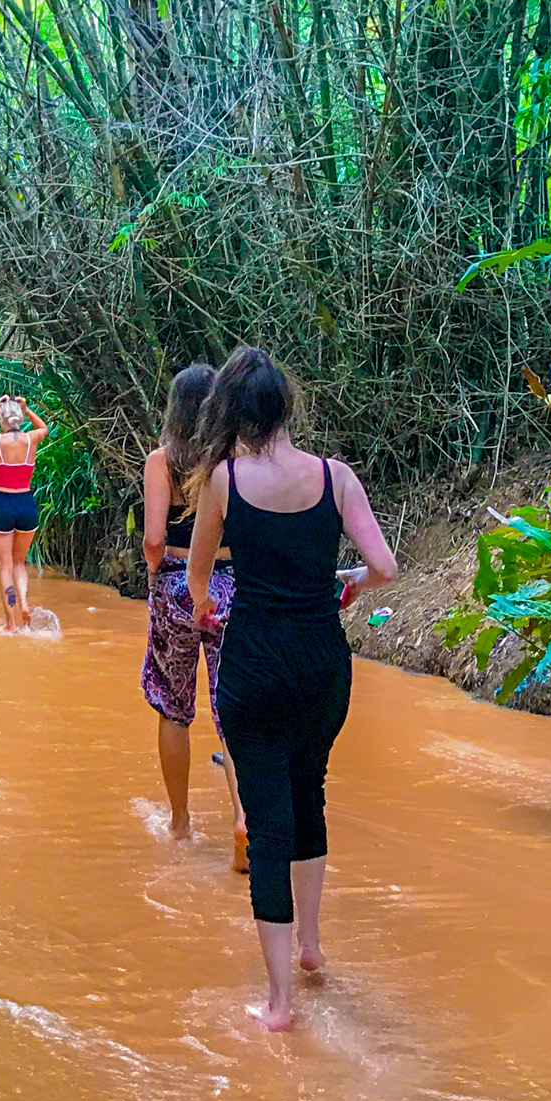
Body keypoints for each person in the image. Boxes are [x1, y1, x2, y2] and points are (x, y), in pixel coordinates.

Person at [182, 347, 395, 1033]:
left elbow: (196, 575)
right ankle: (311, 946)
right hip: (322, 665)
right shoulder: (336, 478)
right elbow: (385, 564)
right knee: (311, 795)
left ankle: (278, 1005)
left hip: (254, 663)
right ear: (286, 408)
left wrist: (204, 607)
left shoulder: (226, 480)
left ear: (234, 412)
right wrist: (352, 585)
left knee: (268, 819)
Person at [141, 364, 241, 855]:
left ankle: (180, 824)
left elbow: (155, 539)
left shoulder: (162, 461)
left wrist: (156, 574)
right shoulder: (236, 461)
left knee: (174, 706)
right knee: (235, 707)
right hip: (232, 585)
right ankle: (245, 820)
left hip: (177, 584)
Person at [0, 394, 49, 632]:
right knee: (19, 562)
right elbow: (43, 427)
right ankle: (24, 603)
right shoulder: (32, 438)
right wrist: (27, 409)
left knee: (5, 566)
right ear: (19, 418)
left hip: (3, 502)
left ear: (3, 420)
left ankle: (11, 624)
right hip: (26, 503)